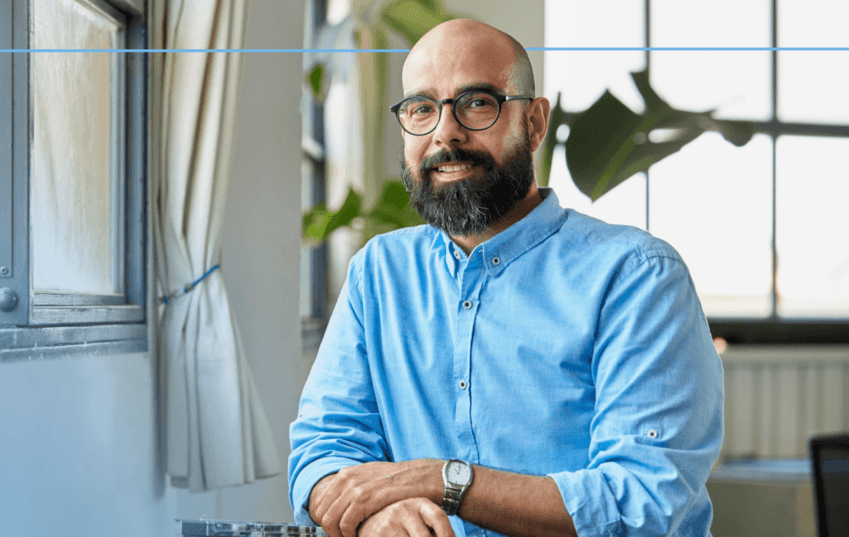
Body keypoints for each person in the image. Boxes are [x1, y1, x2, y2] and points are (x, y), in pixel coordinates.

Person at [288, 18, 724, 537]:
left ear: (534, 123)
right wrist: (379, 511)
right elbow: (324, 448)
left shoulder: (637, 278)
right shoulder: (378, 273)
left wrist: (443, 481)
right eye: (422, 109)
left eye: (476, 103)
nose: (445, 132)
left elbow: (644, 502)